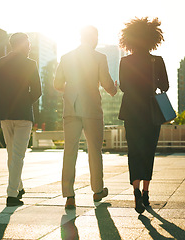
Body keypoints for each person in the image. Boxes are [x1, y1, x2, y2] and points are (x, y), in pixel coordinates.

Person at [54, 26, 117, 209]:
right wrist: (114, 89)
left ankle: (69, 196)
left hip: (71, 107)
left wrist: (73, 90)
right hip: (91, 107)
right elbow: (105, 82)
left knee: (70, 150)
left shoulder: (66, 57)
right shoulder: (99, 57)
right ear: (94, 38)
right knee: (94, 150)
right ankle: (97, 190)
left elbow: (57, 84)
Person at [118, 17, 169, 214]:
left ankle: (136, 192)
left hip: (131, 111)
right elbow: (164, 86)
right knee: (149, 151)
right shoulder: (157, 61)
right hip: (150, 111)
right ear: (151, 39)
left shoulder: (125, 61)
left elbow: (123, 86)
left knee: (134, 151)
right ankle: (146, 193)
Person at [0, 32, 42, 207]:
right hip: (23, 114)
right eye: (28, 45)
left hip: (4, 114)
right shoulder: (30, 64)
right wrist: (25, 102)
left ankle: (18, 187)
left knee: (12, 154)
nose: (29, 48)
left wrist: (5, 102)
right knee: (18, 155)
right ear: (22, 45)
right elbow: (37, 91)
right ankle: (12, 195)